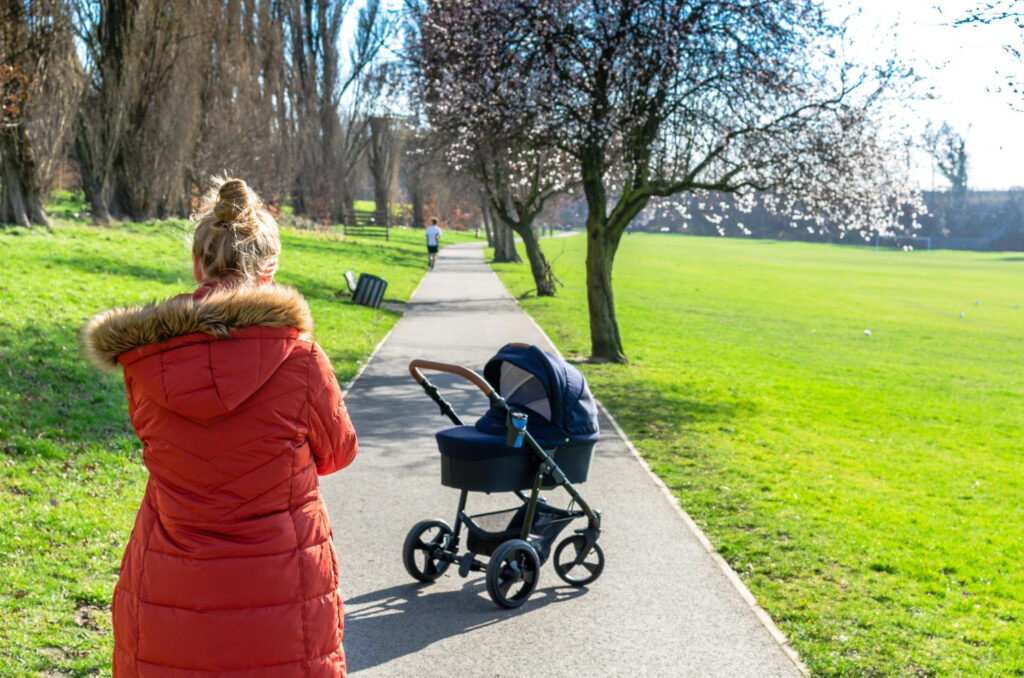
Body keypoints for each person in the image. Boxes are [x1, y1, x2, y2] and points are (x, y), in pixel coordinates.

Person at [84, 177, 358, 677]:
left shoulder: (146, 364)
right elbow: (338, 452)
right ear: (270, 270)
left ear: (196, 264)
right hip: (281, 588)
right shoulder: (301, 361)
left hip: (170, 586)